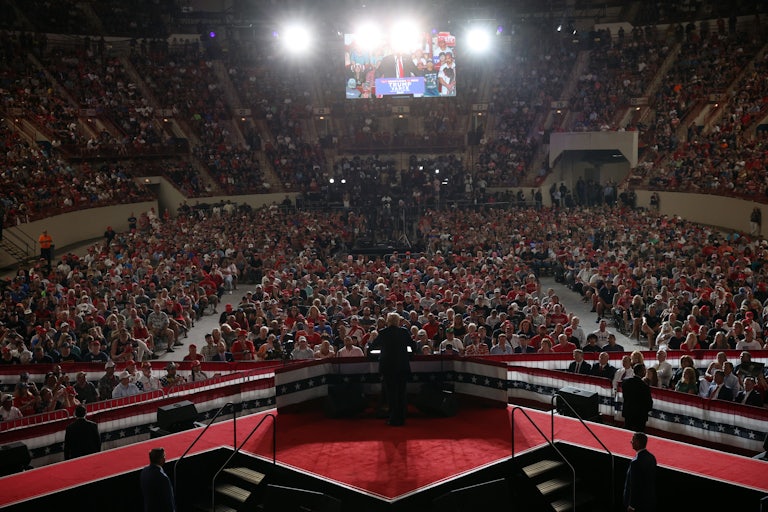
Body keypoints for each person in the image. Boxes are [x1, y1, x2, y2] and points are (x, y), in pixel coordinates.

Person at [378, 312, 411, 426]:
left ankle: (392, 418)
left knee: (391, 393)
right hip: (402, 366)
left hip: (388, 367)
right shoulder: (404, 332)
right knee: (402, 392)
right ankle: (402, 418)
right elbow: (413, 346)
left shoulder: (383, 333)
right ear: (398, 321)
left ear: (388, 321)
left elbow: (371, 348)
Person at [624, 431, 657, 512]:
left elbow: (634, 486)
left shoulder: (636, 462)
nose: (631, 442)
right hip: (648, 501)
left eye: (633, 440)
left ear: (638, 443)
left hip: (637, 505)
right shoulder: (652, 457)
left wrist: (632, 505)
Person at [140, 447, 176, 512]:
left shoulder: (144, 471)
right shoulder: (162, 477)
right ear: (161, 459)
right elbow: (168, 500)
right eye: (164, 456)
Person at [621, 364, 653, 432]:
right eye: (644, 370)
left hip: (628, 413)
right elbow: (648, 403)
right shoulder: (644, 386)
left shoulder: (626, 382)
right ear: (640, 372)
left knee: (627, 433)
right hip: (640, 416)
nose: (645, 372)